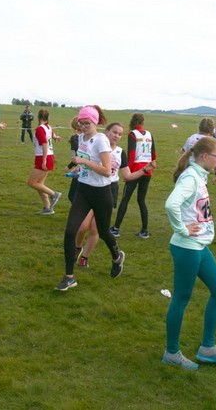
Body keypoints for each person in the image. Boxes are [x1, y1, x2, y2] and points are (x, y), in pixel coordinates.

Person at [162, 136, 216, 371]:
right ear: (204, 156)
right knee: (181, 298)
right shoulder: (191, 177)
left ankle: (207, 349)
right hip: (187, 247)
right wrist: (182, 229)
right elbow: (171, 204)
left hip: (200, 246)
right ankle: (172, 353)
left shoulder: (198, 175)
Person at [55, 105, 125, 291]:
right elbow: (82, 159)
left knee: (103, 232)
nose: (84, 126)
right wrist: (74, 166)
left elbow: (106, 171)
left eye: (87, 123)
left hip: (101, 192)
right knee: (70, 231)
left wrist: (84, 161)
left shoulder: (101, 140)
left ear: (95, 122)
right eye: (81, 123)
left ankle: (117, 257)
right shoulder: (80, 138)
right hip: (83, 190)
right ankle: (69, 277)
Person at [75, 122, 151, 267]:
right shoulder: (96, 145)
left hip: (109, 190)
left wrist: (145, 170)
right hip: (92, 187)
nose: (116, 136)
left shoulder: (120, 152)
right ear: (106, 131)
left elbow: (127, 176)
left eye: (120, 134)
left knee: (95, 228)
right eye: (114, 132)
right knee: (82, 226)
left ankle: (85, 257)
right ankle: (77, 248)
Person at [111, 113, 157, 239]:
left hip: (135, 170)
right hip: (147, 170)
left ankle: (116, 229)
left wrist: (129, 172)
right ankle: (144, 230)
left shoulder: (132, 134)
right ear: (143, 122)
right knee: (141, 200)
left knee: (125, 199)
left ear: (133, 122)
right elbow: (153, 154)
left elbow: (131, 154)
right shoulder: (149, 134)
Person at [28, 108, 62, 215]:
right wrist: (56, 137)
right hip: (49, 156)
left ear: (38, 117)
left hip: (43, 157)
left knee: (31, 183)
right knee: (39, 184)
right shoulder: (48, 127)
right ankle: (48, 208)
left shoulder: (40, 129)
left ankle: (54, 194)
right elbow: (52, 135)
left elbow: (45, 143)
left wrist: (44, 160)